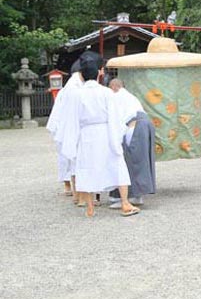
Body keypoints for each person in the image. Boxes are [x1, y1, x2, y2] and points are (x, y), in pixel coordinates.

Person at [55, 52, 139, 218]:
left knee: (86, 168)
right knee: (116, 164)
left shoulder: (76, 94)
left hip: (86, 134)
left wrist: (72, 140)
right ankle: (125, 203)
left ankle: (90, 206)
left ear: (82, 75)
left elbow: (72, 119)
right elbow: (114, 116)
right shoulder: (106, 93)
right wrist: (118, 135)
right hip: (105, 132)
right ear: (99, 73)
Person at [108, 79, 156, 207]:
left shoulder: (116, 96)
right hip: (145, 124)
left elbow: (116, 119)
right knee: (142, 161)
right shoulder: (129, 96)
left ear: (113, 87)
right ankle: (138, 195)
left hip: (134, 126)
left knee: (129, 160)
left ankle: (128, 196)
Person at [46, 60, 83, 200]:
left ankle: (71, 188)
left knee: (67, 157)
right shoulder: (73, 88)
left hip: (65, 125)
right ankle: (71, 188)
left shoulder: (68, 88)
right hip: (66, 125)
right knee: (67, 157)